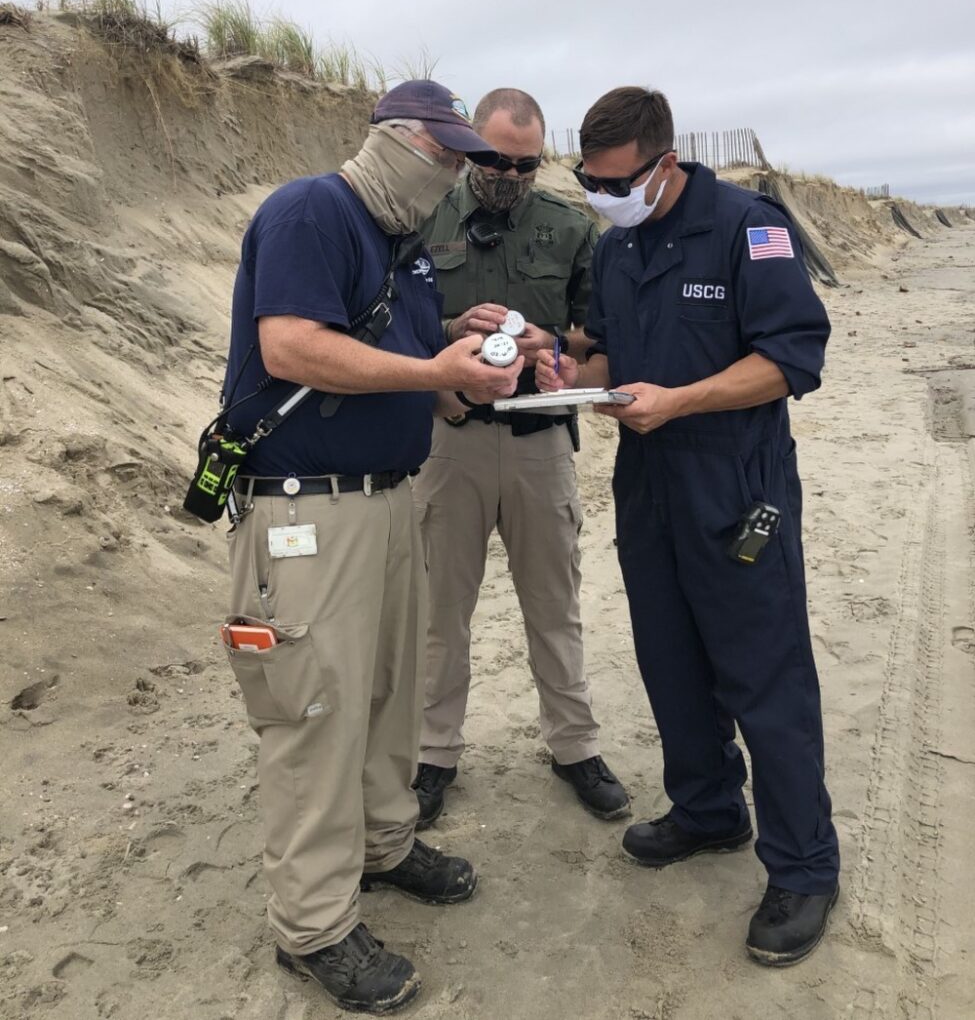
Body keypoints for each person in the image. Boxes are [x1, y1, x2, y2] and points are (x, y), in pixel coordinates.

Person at [221, 81, 524, 1015]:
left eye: (460, 158)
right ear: (391, 138)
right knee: (313, 711)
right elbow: (291, 349)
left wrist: (463, 352)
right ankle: (312, 925)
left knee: (389, 689)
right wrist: (433, 365)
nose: (453, 172)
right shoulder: (311, 210)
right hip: (306, 514)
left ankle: (385, 843)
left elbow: (411, 373)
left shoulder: (405, 247)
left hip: (387, 501)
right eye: (442, 151)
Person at [537, 86, 840, 967]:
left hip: (734, 481)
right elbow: (607, 349)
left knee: (764, 676)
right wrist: (572, 373)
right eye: (589, 182)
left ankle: (803, 868)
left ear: (663, 163)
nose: (602, 196)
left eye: (615, 182)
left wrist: (680, 400)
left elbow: (791, 359)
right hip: (648, 483)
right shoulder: (618, 246)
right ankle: (708, 809)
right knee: (669, 658)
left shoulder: (750, 229)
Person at [411, 88, 629, 828]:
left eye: (526, 165)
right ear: (471, 146)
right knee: (440, 611)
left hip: (540, 442)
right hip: (450, 440)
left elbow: (599, 334)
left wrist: (554, 347)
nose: (509, 175)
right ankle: (433, 752)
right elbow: (387, 322)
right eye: (496, 160)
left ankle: (574, 746)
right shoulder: (422, 217)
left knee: (554, 603)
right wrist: (448, 332)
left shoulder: (570, 228)